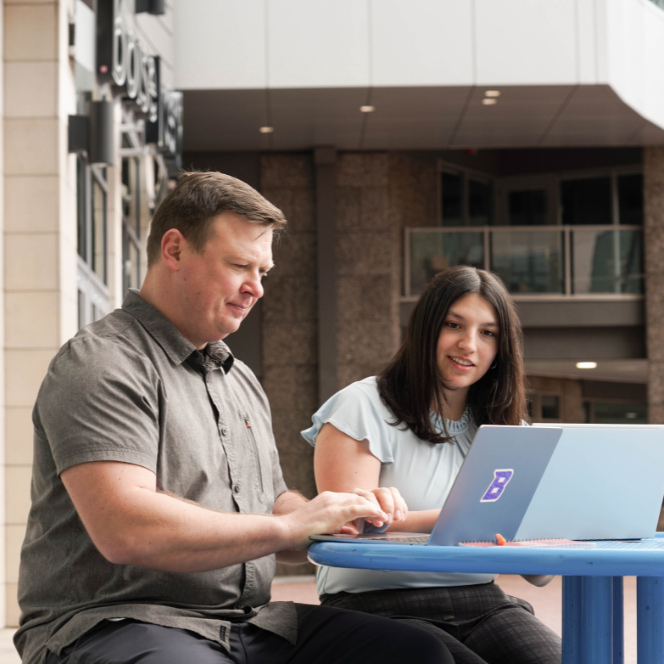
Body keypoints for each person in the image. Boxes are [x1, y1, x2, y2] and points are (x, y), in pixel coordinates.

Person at [15, 172, 454, 664]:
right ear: (174, 250)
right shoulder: (101, 362)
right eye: (240, 265)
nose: (256, 288)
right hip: (113, 622)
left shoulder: (237, 377)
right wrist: (291, 528)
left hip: (246, 622)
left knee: (420, 652)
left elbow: (272, 503)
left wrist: (335, 514)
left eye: (263, 271)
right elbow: (126, 528)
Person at [303, 265, 563, 664]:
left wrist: (546, 531)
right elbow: (345, 529)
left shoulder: (510, 431)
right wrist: (464, 520)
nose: (468, 345)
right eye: (454, 325)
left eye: (487, 333)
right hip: (373, 602)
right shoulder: (362, 405)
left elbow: (539, 575)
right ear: (425, 329)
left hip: (483, 602)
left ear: (500, 349)